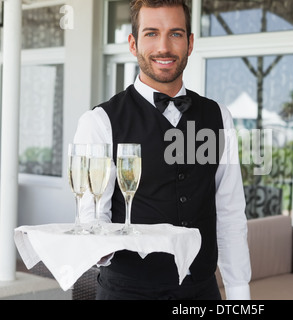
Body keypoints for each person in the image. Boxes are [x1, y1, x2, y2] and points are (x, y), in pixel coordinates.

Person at [73, 0, 251, 300]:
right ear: (133, 43)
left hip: (201, 292)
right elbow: (93, 218)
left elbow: (230, 213)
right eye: (152, 33)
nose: (164, 47)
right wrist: (96, 247)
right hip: (127, 292)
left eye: (176, 34)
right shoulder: (100, 122)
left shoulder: (219, 116)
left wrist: (238, 291)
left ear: (190, 43)